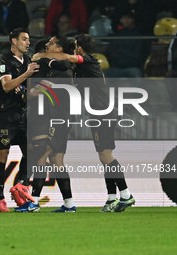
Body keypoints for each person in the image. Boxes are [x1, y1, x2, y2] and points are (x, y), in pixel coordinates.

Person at [32, 34, 135, 212]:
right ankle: (112, 198)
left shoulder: (88, 60)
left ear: (79, 48)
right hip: (97, 114)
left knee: (106, 156)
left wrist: (42, 56)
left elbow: (68, 58)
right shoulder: (82, 68)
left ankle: (125, 195)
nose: (73, 48)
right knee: (104, 157)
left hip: (103, 113)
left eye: (75, 46)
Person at [15, 35, 76, 213]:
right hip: (58, 116)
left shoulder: (57, 64)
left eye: (52, 43)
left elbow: (52, 83)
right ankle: (68, 203)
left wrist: (35, 89)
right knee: (56, 160)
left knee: (41, 157)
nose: (48, 45)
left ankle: (32, 200)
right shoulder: (55, 65)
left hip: (57, 117)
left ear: (59, 49)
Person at [0, 27, 39, 212]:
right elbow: (7, 86)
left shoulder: (27, 60)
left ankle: (20, 186)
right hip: (2, 114)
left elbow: (27, 91)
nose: (28, 42)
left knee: (31, 151)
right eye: (24, 39)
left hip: (20, 113)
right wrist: (26, 74)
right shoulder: (4, 62)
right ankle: (0, 198)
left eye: (28, 39)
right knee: (3, 154)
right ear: (14, 41)